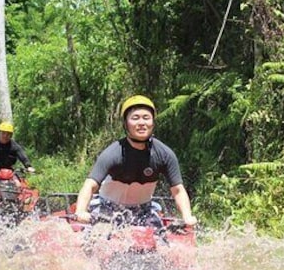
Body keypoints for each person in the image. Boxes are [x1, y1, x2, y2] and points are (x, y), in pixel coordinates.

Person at [74, 95, 197, 226]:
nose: (141, 123)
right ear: (126, 124)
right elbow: (90, 185)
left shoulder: (164, 154)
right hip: (108, 208)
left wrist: (187, 215)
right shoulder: (113, 153)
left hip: (144, 210)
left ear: (153, 122)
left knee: (161, 242)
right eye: (135, 118)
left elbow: (178, 190)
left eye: (146, 118)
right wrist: (81, 211)